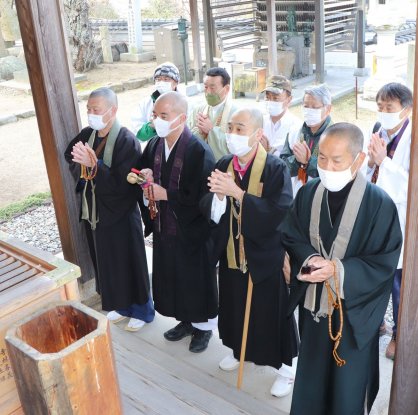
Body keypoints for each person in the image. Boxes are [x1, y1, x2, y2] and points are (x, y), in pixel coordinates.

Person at [281, 122, 402, 414]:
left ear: (359, 159)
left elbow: (384, 263)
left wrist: (338, 270)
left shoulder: (379, 204)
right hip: (314, 313)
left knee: (346, 392)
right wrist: (309, 260)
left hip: (351, 319)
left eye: (337, 160)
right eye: (321, 157)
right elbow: (291, 233)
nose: (327, 166)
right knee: (310, 383)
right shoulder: (309, 192)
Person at [200, 108, 299, 397]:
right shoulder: (223, 163)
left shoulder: (275, 168)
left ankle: (286, 367)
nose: (232, 134)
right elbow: (207, 205)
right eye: (230, 127)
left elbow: (280, 213)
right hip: (231, 252)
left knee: (272, 312)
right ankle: (237, 349)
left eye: (240, 129)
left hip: (264, 255)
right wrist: (219, 198)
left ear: (258, 135)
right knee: (234, 306)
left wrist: (239, 194)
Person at [64, 87, 154, 332]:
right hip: (97, 213)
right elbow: (70, 156)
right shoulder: (88, 134)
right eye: (89, 109)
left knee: (129, 262)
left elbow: (124, 183)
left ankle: (142, 309)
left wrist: (95, 166)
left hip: (121, 214)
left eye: (97, 110)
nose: (92, 114)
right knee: (107, 264)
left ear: (112, 111)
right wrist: (86, 168)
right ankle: (121, 306)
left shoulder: (127, 140)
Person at [136, 91, 218, 353]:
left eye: (163, 116)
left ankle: (203, 329)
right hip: (165, 227)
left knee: (195, 280)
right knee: (174, 277)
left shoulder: (198, 151)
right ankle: (185, 321)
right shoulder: (156, 145)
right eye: (155, 115)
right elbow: (141, 171)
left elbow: (204, 199)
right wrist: (145, 176)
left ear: (182, 118)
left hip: (192, 231)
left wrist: (166, 194)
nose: (156, 121)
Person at [367, 82, 412, 360]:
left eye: (390, 108)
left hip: (401, 216)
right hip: (376, 212)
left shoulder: (413, 136)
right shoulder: (377, 131)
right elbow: (365, 167)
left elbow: (411, 184)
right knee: (374, 269)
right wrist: (371, 163)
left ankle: (398, 332)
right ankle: (376, 322)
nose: (384, 112)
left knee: (398, 277)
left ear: (407, 109)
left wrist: (384, 162)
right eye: (380, 107)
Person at [280, 84, 332, 196]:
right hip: (295, 195)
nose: (309, 111)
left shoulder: (335, 136)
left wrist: (308, 161)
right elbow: (282, 167)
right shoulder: (294, 131)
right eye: (306, 106)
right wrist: (298, 160)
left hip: (322, 196)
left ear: (328, 109)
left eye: (314, 107)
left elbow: (333, 174)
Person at [188, 67, 236, 160]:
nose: (208, 92)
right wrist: (200, 133)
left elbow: (237, 146)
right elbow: (186, 139)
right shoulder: (198, 110)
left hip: (223, 169)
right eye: (206, 87)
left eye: (213, 88)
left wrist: (211, 131)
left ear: (226, 89)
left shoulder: (237, 114)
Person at [131, 62, 180, 142]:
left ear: (176, 82)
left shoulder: (186, 103)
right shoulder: (145, 104)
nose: (161, 82)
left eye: (166, 79)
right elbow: (138, 133)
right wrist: (152, 126)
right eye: (158, 79)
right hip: (153, 150)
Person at [261, 75, 302, 157]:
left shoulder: (296, 126)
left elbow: (294, 162)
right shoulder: (260, 122)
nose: (270, 101)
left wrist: (270, 151)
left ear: (289, 100)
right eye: (267, 97)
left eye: (275, 98)